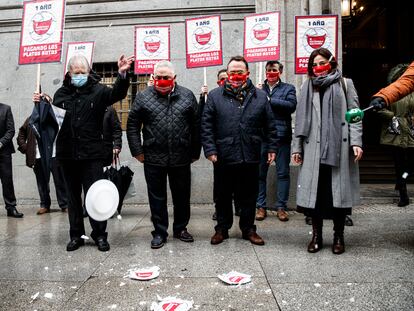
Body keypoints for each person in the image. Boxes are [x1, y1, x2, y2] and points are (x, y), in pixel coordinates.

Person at [48, 53, 132, 252]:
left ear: (88, 72)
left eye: (82, 72)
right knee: (73, 198)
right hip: (67, 155)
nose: (79, 75)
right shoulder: (61, 94)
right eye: (75, 72)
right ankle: (76, 235)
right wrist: (41, 104)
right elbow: (51, 122)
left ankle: (100, 235)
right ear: (69, 73)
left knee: (95, 196)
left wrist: (121, 75)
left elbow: (117, 94)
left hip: (92, 155)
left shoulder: (99, 91)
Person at [292, 48, 363, 255]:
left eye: (321, 62)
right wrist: (297, 147)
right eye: (313, 64)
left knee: (337, 197)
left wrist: (356, 142)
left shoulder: (345, 83)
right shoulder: (307, 86)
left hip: (338, 149)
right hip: (313, 149)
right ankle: (316, 236)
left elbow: (355, 115)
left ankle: (338, 236)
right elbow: (300, 120)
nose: (317, 67)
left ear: (331, 62)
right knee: (316, 196)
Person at [201, 55, 277, 246]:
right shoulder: (215, 96)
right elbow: (206, 125)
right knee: (222, 195)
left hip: (250, 153)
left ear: (247, 73)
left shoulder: (260, 96)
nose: (235, 75)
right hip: (223, 155)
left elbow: (270, 125)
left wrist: (271, 147)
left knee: (249, 195)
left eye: (239, 72)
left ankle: (248, 229)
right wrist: (210, 149)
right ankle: (222, 229)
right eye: (232, 72)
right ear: (227, 74)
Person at [127, 60, 201, 249]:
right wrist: (137, 151)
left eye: (166, 77)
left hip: (181, 156)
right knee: (157, 197)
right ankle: (160, 232)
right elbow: (132, 125)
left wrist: (194, 151)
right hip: (153, 156)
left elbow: (196, 126)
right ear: (153, 77)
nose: (162, 80)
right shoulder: (143, 97)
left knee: (182, 196)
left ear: (174, 78)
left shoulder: (187, 96)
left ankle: (181, 229)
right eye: (158, 77)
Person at [255, 60, 297, 222]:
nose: (270, 73)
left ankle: (281, 207)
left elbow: (291, 105)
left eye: (273, 70)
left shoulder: (288, 88)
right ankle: (260, 206)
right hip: (261, 136)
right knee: (260, 174)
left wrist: (268, 99)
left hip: (281, 137)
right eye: (268, 70)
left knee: (283, 173)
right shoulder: (258, 88)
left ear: (280, 71)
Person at [200, 69, 241, 221]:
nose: (224, 81)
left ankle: (239, 207)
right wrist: (202, 96)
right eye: (221, 79)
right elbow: (205, 121)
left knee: (238, 183)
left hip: (238, 148)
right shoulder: (213, 96)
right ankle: (220, 210)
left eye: (226, 78)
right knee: (220, 185)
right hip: (220, 149)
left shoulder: (239, 94)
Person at [17, 93, 68, 215]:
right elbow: (21, 134)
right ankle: (45, 205)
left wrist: (49, 101)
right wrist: (26, 148)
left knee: (59, 180)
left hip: (54, 155)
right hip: (38, 157)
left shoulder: (53, 118)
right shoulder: (31, 120)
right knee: (41, 182)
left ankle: (64, 204)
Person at [377, 64, 414, 207]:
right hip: (396, 131)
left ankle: (402, 180)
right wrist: (393, 117)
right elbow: (379, 109)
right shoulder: (391, 90)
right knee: (399, 164)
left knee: (410, 164)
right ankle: (403, 195)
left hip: (411, 130)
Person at [0, 103, 23, 218]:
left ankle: (11, 207)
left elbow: (11, 130)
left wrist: (1, 142)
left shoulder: (6, 109)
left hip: (4, 152)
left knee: (7, 180)